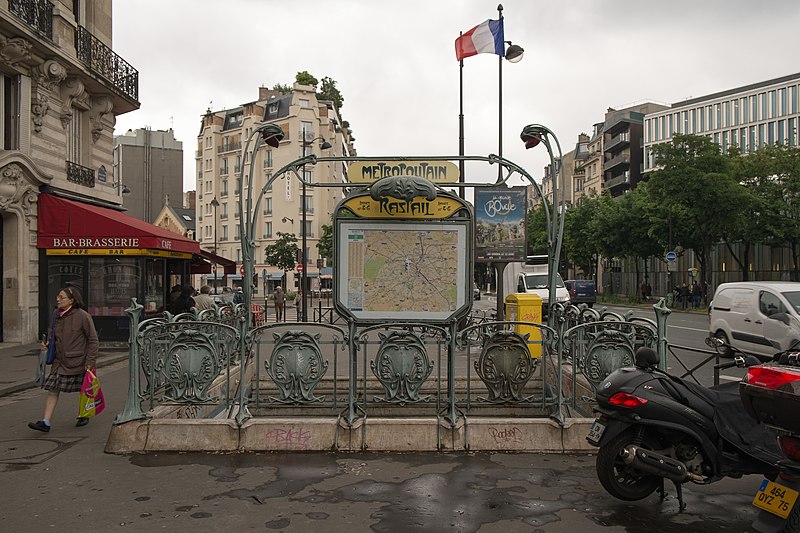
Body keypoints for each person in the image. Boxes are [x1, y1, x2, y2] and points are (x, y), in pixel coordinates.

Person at [29, 285, 98, 432]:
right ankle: (45, 422)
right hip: (59, 360)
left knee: (84, 389)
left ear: (72, 300)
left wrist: (90, 361)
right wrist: (47, 345)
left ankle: (83, 414)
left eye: (62, 297)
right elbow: (52, 334)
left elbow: (93, 340)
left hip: (79, 361)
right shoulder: (56, 314)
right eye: (58, 297)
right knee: (53, 388)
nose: (58, 299)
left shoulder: (83, 316)